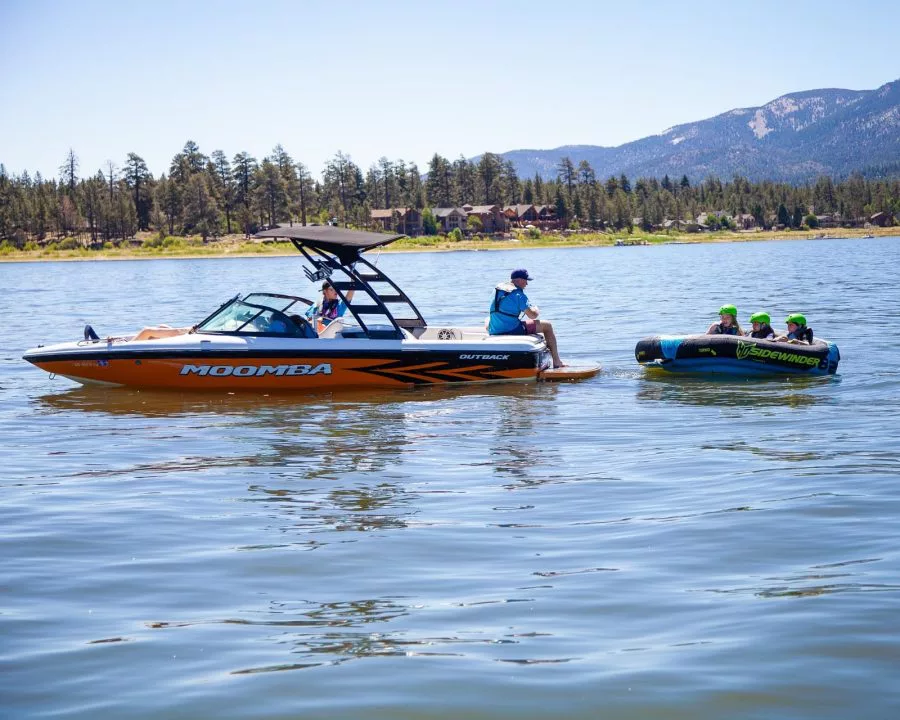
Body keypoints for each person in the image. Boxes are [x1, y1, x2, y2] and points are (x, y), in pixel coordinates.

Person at [488, 268, 565, 368]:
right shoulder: (518, 294)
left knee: (488, 319)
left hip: (494, 329)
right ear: (519, 280)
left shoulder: (497, 289)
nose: (527, 284)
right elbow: (532, 315)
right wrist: (536, 309)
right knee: (547, 325)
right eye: (526, 281)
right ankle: (557, 361)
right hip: (511, 329)